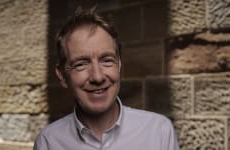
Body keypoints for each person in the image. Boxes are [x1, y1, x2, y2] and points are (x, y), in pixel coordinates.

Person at [34, 6, 180, 150]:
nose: (97, 77)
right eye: (81, 64)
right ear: (62, 76)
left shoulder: (159, 132)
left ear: (119, 65)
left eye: (107, 60)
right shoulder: (48, 142)